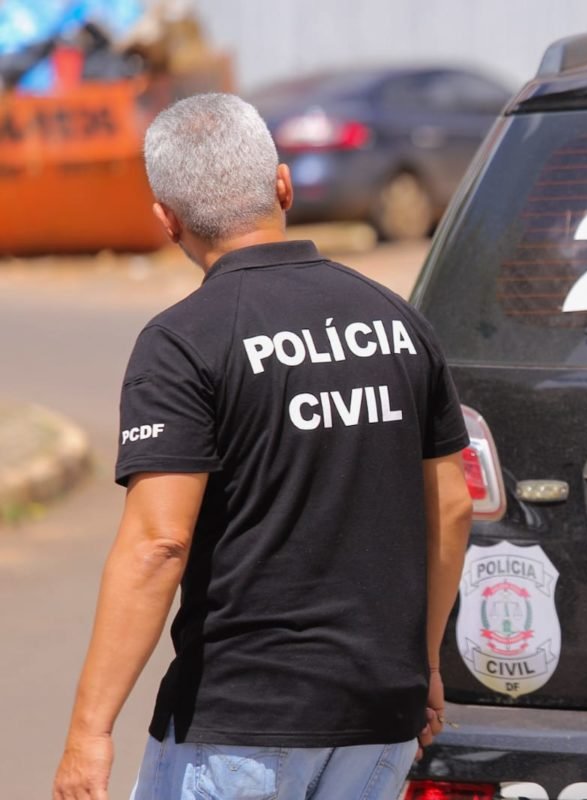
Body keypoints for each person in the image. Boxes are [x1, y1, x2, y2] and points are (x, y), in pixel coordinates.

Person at [52, 92, 474, 800]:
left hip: (240, 727)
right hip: (381, 714)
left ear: (167, 222)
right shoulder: (395, 318)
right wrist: (423, 664)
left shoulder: (182, 342)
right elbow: (453, 507)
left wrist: (89, 732)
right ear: (282, 185)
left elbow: (158, 544)